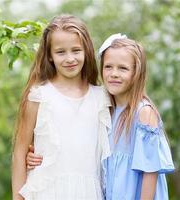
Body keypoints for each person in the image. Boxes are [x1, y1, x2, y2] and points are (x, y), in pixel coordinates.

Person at [27, 33, 175, 200]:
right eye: (108, 67)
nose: (114, 74)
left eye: (123, 68)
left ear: (137, 73)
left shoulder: (143, 113)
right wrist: (37, 152)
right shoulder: (106, 109)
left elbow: (150, 172)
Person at [11, 14, 111, 200]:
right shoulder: (39, 96)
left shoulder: (102, 97)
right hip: (47, 192)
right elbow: (20, 152)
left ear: (86, 51)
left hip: (89, 193)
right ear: (49, 55)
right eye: (60, 52)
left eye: (76, 50)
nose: (70, 58)